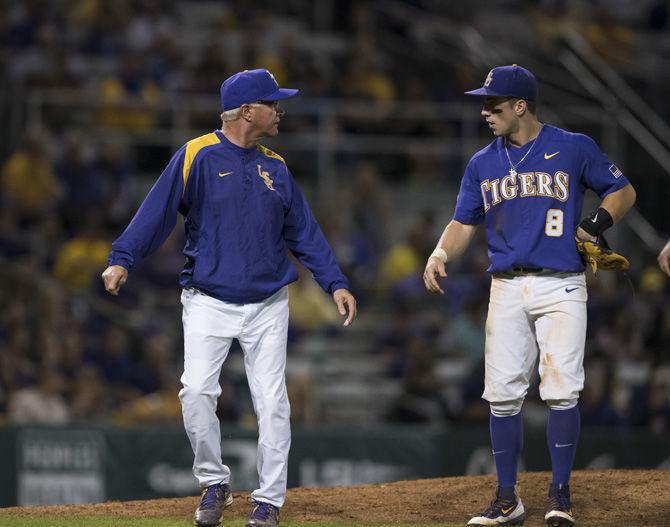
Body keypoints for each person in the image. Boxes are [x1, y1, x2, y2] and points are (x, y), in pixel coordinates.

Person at [101, 68, 357, 527]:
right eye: (273, 103)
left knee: (272, 401)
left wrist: (334, 281)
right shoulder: (196, 155)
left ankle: (269, 501)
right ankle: (214, 483)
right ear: (246, 111)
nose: (280, 110)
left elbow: (304, 232)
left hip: (267, 304)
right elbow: (155, 212)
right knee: (196, 392)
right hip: (208, 300)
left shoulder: (275, 166)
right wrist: (123, 258)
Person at [423, 65, 636, 527]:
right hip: (505, 286)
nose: (485, 112)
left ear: (521, 106)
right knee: (501, 396)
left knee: (561, 391)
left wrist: (595, 225)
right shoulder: (483, 162)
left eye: (493, 105)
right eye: (484, 104)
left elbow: (622, 189)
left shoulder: (574, 146)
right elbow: (463, 221)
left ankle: (560, 495)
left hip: (561, 282)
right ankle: (507, 498)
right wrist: (440, 253)